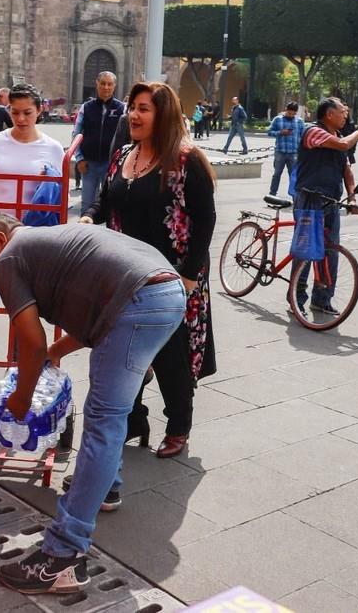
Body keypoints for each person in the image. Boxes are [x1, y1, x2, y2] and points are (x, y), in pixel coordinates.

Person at [0, 216, 186, 595]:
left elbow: (30, 341)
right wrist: (57, 351)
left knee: (103, 420)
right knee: (112, 413)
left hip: (137, 301)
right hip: (166, 293)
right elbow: (98, 304)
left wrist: (21, 397)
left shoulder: (9, 256)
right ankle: (106, 487)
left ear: (0, 238)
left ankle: (62, 556)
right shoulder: (53, 241)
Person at [81, 82, 216, 458]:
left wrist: (189, 276)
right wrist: (90, 218)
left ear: (164, 116)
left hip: (172, 278)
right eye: (133, 107)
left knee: (170, 356)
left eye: (144, 109)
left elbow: (206, 219)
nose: (134, 115)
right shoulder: (125, 153)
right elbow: (104, 200)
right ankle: (134, 419)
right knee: (127, 353)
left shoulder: (186, 160)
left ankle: (178, 425)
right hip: (127, 275)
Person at [0, 84, 66, 387]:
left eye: (27, 113)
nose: (20, 119)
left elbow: (55, 196)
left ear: (39, 111)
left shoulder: (52, 148)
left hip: (29, 238)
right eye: (15, 112)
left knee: (24, 308)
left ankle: (19, 368)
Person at [291, 98, 358, 315]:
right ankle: (296, 298)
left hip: (330, 200)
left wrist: (352, 197)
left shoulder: (339, 138)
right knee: (305, 251)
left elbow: (347, 171)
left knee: (330, 250)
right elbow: (344, 145)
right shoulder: (313, 132)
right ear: (328, 114)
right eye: (342, 112)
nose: (346, 116)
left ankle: (322, 299)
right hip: (310, 199)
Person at [72, 72, 126, 214]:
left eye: (109, 84)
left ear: (114, 86)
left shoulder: (122, 109)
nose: (106, 87)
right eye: (103, 83)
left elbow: (126, 136)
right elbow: (76, 134)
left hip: (111, 165)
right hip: (89, 164)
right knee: (87, 205)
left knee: (111, 204)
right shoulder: (86, 107)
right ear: (97, 84)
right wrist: (79, 158)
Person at [266, 101, 305, 196]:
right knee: (277, 174)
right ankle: (272, 194)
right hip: (280, 152)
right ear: (286, 110)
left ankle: (294, 196)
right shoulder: (278, 119)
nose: (291, 115)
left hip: (294, 153)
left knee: (293, 176)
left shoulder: (299, 121)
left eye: (293, 114)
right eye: (289, 113)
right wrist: (280, 132)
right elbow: (269, 132)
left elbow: (303, 136)